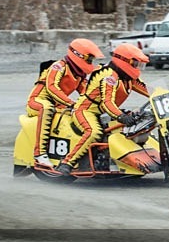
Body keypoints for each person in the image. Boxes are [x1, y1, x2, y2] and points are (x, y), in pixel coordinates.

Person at [57, 44, 150, 175]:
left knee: (137, 124)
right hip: (85, 110)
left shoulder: (127, 77)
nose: (137, 67)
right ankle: (67, 163)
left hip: (104, 113)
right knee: (93, 132)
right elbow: (107, 102)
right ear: (124, 60)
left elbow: (148, 89)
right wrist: (120, 116)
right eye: (135, 64)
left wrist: (167, 95)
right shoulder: (109, 76)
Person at [26, 39, 104, 168]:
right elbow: (51, 87)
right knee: (46, 108)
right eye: (89, 59)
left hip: (58, 105)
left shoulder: (79, 75)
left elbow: (87, 94)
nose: (90, 62)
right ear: (79, 55)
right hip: (37, 101)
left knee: (79, 116)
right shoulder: (59, 66)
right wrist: (70, 103)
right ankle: (39, 154)